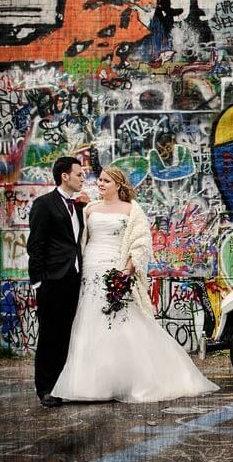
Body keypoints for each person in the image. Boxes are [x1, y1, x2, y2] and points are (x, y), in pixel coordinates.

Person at [51, 165, 219, 402]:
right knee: (89, 322)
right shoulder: (89, 209)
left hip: (116, 268)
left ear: (118, 185)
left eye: (106, 181)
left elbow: (140, 245)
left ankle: (133, 379)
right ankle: (90, 385)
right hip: (90, 269)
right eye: (99, 179)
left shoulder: (132, 210)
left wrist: (126, 272)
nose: (100, 184)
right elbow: (78, 239)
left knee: (123, 323)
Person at [26, 156, 86, 408]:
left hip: (73, 279)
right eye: (79, 174)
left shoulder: (79, 206)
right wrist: (38, 281)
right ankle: (45, 388)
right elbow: (35, 245)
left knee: (66, 335)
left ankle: (62, 385)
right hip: (51, 281)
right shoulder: (44, 204)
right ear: (65, 176)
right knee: (50, 335)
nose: (83, 178)